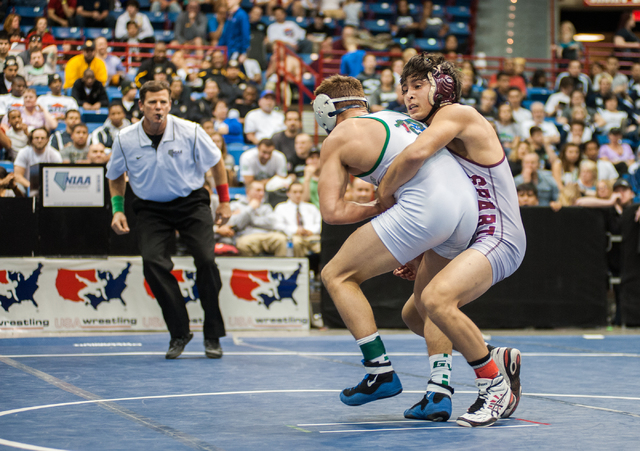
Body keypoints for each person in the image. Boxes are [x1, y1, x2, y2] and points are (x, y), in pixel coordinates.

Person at [314, 72, 505, 426]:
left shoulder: (339, 136)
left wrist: (380, 206)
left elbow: (332, 211)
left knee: (337, 274)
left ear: (324, 108)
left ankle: (379, 371)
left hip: (426, 208)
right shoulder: (398, 117)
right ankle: (438, 391)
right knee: (427, 303)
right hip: (468, 209)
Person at [376, 54, 526, 427]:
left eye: (418, 86)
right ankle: (493, 356)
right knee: (416, 314)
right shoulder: (437, 126)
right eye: (404, 88)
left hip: (500, 235)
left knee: (438, 299)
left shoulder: (457, 114)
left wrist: (384, 193)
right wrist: (418, 252)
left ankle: (493, 386)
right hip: (470, 234)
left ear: (441, 86)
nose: (408, 96)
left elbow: (414, 154)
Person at [107, 80, 231, 360]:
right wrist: (117, 209)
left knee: (207, 261)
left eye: (163, 102)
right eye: (152, 102)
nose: (158, 107)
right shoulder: (125, 138)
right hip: (150, 208)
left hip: (191, 202)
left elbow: (216, 163)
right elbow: (114, 175)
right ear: (141, 106)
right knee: (152, 263)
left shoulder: (191, 131)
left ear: (170, 105)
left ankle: (212, 334)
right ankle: (179, 332)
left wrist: (224, 201)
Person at [215, 180, 288, 256]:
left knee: (281, 239)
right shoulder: (236, 205)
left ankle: (278, 268)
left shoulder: (266, 207)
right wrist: (250, 208)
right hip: (245, 236)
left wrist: (248, 217)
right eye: (258, 190)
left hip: (266, 235)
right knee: (243, 245)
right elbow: (235, 225)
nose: (261, 193)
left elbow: (271, 223)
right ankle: (250, 268)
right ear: (248, 192)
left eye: (263, 191)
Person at [13, 127, 62, 192]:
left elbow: (59, 176)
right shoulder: (23, 152)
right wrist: (31, 186)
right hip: (27, 186)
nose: (39, 140)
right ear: (32, 140)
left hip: (49, 187)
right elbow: (17, 176)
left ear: (47, 140)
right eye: (36, 138)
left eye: (42, 138)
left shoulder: (54, 154)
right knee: (18, 186)